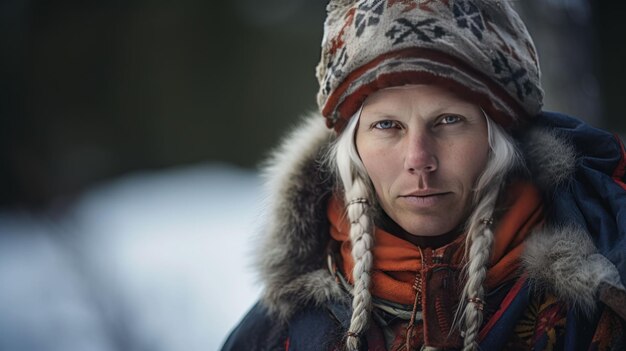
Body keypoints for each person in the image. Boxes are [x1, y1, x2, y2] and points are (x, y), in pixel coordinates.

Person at [222, 1, 626, 350]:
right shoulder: (280, 334)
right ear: (353, 149)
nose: (419, 159)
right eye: (387, 126)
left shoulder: (602, 301)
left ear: (499, 139)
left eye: (449, 120)